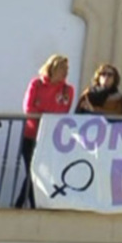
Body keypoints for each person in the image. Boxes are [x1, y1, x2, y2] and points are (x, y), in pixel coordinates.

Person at [15, 54, 75, 209]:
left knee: (36, 172)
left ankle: (21, 204)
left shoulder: (67, 90)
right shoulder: (37, 84)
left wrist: (41, 112)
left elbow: (62, 112)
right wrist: (45, 116)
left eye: (66, 69)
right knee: (32, 170)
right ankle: (29, 205)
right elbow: (29, 108)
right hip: (31, 135)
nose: (65, 72)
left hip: (49, 138)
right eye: (62, 68)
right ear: (53, 68)